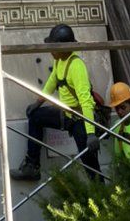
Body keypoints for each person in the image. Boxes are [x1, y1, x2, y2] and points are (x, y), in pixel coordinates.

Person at [10, 23, 101, 182]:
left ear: (63, 48)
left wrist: (91, 133)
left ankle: (102, 196)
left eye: (53, 46)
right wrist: (37, 103)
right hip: (66, 114)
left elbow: (86, 102)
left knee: (90, 163)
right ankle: (32, 167)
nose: (50, 50)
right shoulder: (60, 61)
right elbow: (51, 83)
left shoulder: (76, 66)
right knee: (36, 117)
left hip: (81, 119)